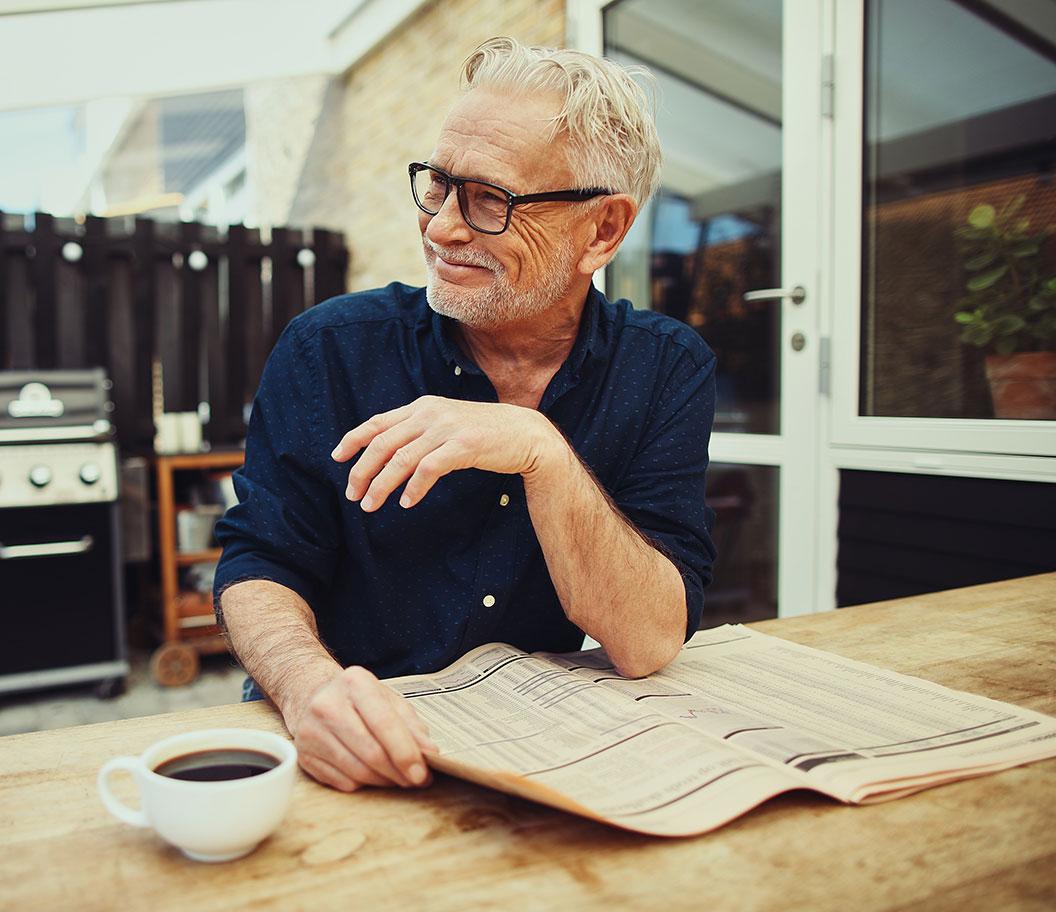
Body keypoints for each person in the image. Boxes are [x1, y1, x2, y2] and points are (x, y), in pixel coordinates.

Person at [213, 36, 717, 795]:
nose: (443, 227)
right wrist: (307, 687)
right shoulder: (329, 349)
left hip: (534, 752)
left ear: (604, 231)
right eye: (438, 184)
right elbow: (259, 561)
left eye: (490, 200)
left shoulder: (665, 367)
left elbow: (647, 639)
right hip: (345, 735)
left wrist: (541, 451)